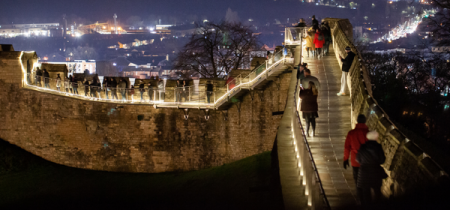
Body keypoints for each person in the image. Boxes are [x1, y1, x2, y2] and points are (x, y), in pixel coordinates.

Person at [343, 114, 369, 204]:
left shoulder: (351, 133)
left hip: (355, 161)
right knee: (366, 181)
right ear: (365, 121)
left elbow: (347, 147)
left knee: (357, 180)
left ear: (357, 121)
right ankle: (367, 201)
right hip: (366, 162)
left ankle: (360, 200)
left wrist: (345, 159)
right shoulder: (368, 133)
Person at [356, 131, 387, 206]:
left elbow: (357, 159)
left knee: (366, 193)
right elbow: (382, 160)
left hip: (364, 172)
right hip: (375, 171)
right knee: (377, 191)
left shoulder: (362, 147)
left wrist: (364, 162)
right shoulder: (378, 147)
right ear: (376, 138)